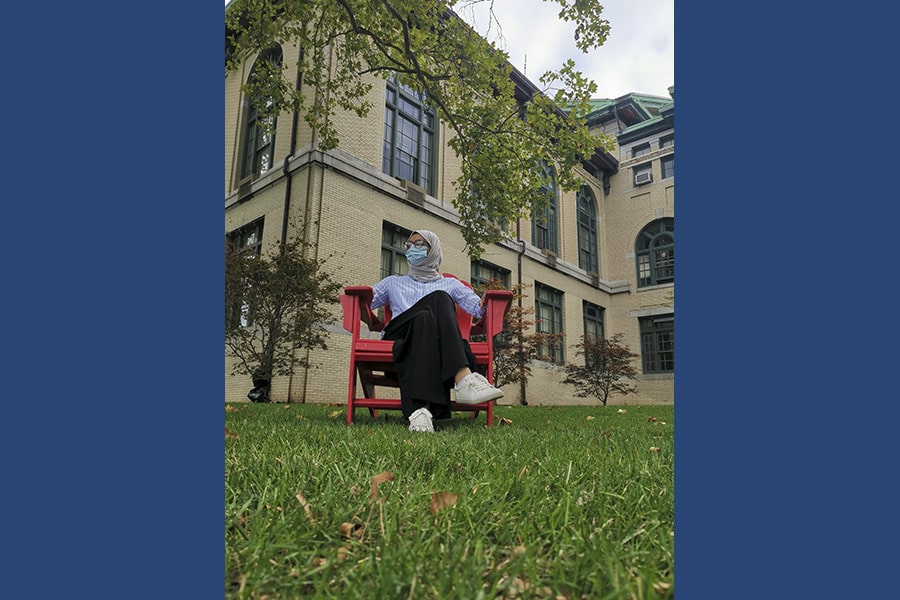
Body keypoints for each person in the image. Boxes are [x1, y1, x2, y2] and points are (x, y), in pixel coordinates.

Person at [371, 230, 504, 432]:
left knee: (425, 318)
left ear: (433, 250)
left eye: (419, 244)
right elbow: (365, 302)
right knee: (440, 298)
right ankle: (463, 378)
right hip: (399, 333)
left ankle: (420, 412)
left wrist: (484, 301)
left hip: (427, 339)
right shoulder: (393, 283)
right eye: (409, 245)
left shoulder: (450, 284)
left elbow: (477, 308)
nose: (411, 249)